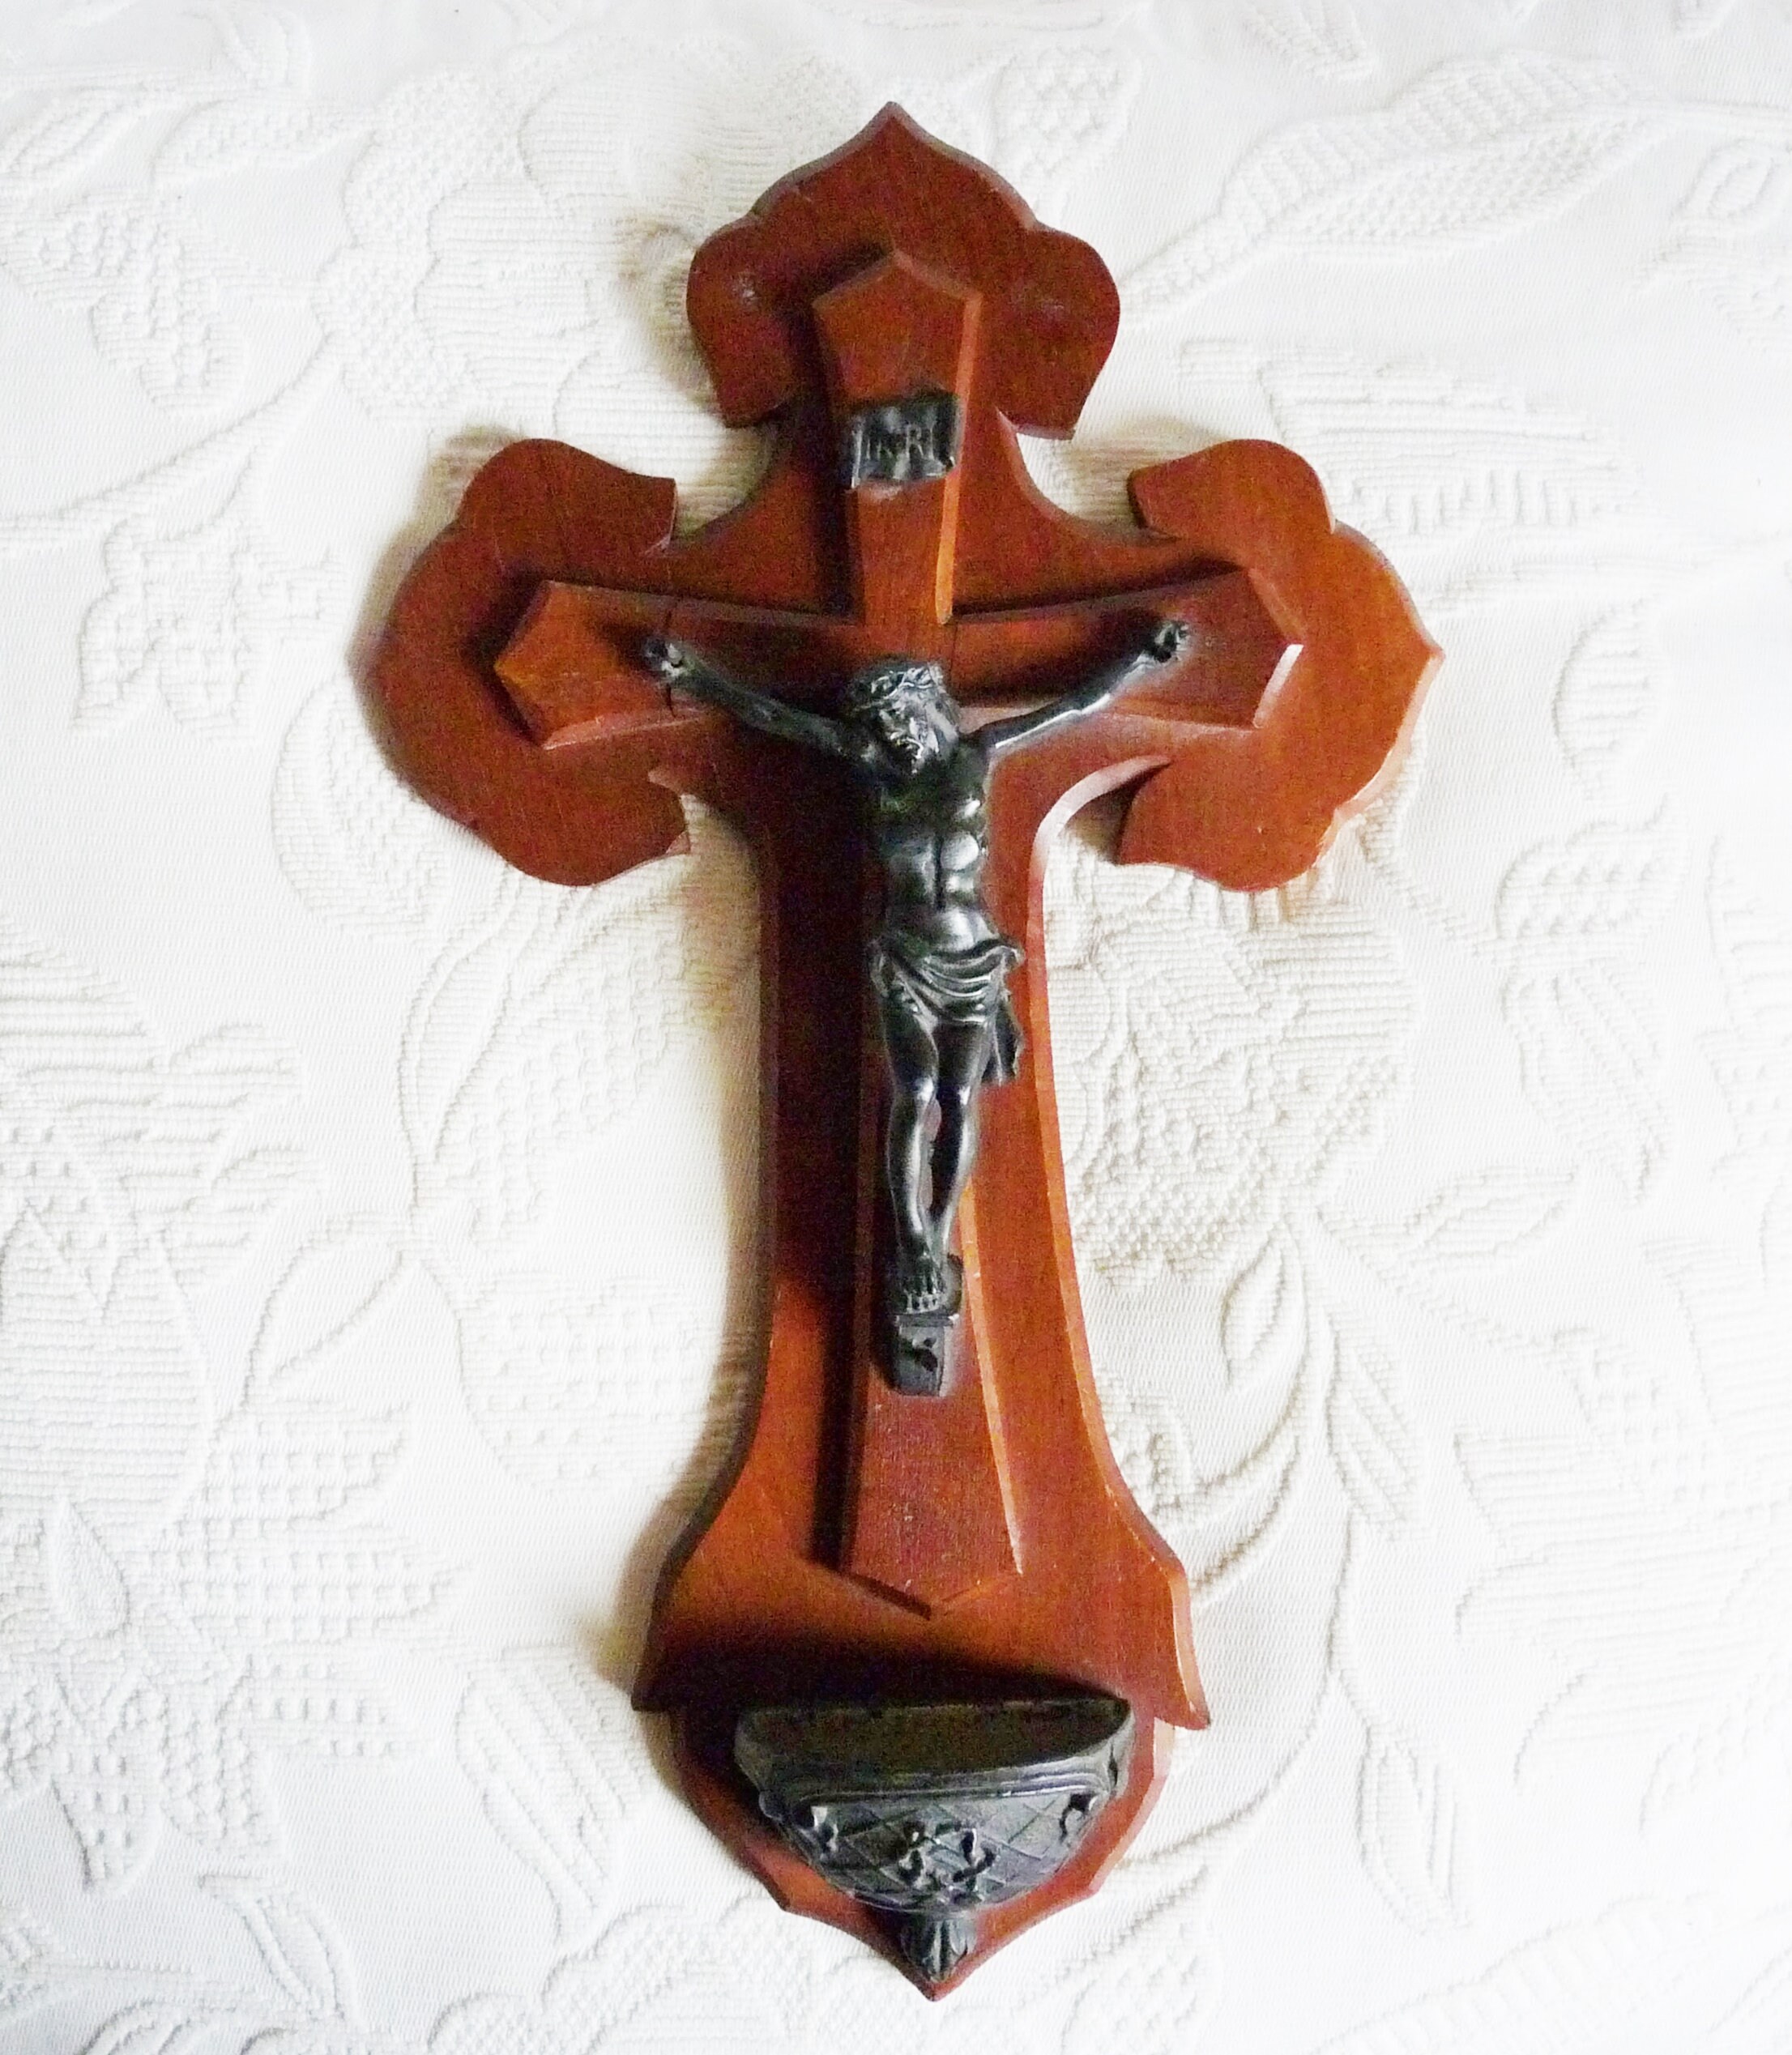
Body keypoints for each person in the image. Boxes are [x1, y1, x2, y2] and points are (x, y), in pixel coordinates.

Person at [643, 619, 1192, 1359]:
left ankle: (933, 1241)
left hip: (973, 963)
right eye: (881, 723)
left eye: (902, 715)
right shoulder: (872, 767)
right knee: (915, 1089)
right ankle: (914, 1245)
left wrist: (1137, 656)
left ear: (931, 706)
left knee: (959, 1097)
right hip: (905, 959)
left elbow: (1071, 706)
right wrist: (694, 678)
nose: (895, 733)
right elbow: (779, 720)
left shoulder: (979, 755)